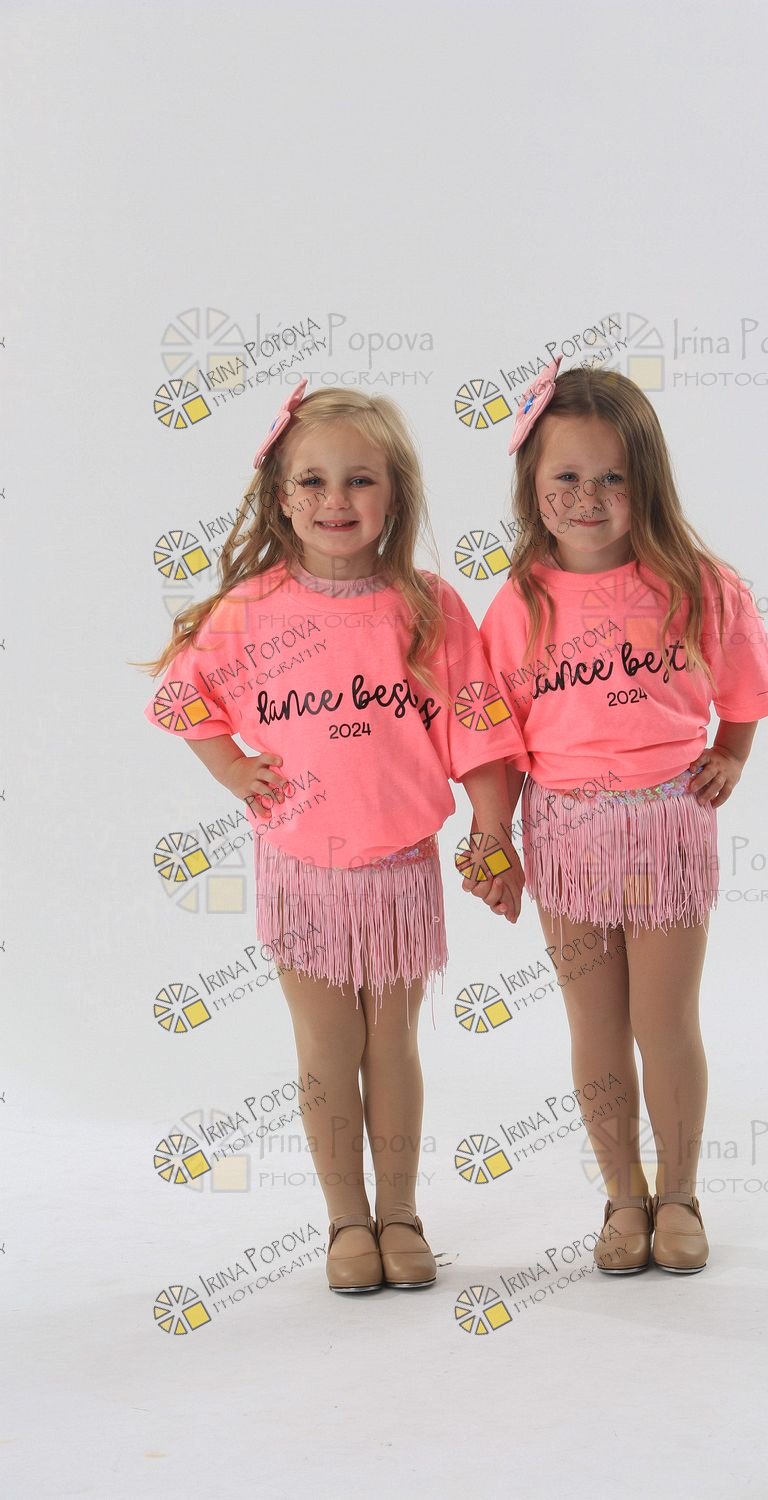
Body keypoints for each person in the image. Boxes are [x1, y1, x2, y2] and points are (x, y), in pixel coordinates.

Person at [136, 378, 526, 1294]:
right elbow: (183, 698)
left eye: (360, 481)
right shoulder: (252, 610)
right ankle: (347, 1219)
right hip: (303, 869)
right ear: (281, 497)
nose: (334, 501)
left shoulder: (426, 606)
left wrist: (493, 827)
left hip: (399, 869)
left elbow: (478, 724)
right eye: (312, 481)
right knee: (325, 1047)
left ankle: (401, 1213)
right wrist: (234, 770)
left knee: (391, 1046)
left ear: (395, 495)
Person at [467, 356, 768, 1276]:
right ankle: (622, 1196)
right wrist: (493, 837)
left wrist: (732, 752)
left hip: (666, 829)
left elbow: (746, 686)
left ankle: (679, 1194)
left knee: (665, 1019)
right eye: (567, 476)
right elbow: (495, 734)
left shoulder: (697, 584)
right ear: (532, 484)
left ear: (646, 480)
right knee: (596, 1024)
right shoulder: (518, 605)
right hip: (566, 835)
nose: (588, 497)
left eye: (612, 477)